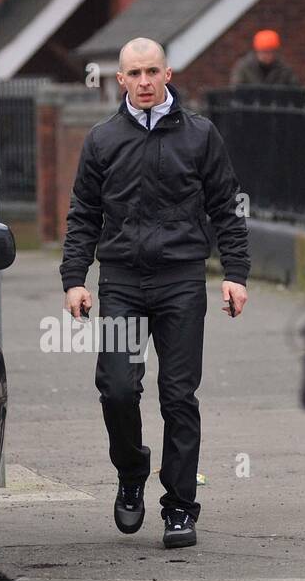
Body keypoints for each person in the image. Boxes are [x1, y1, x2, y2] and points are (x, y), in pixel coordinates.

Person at [61, 37, 250, 549]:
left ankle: (180, 507)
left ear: (168, 74)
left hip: (181, 280)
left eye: (152, 72)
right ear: (118, 81)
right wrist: (75, 279)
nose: (144, 82)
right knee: (118, 388)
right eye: (134, 74)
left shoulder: (200, 136)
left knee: (178, 396)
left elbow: (227, 208)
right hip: (121, 281)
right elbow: (83, 214)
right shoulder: (102, 140)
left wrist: (235, 273)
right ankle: (131, 472)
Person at [229, 29, 300, 87]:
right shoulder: (244, 67)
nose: (267, 55)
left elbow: (295, 89)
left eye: (271, 52)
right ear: (256, 51)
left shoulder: (284, 69)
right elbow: (236, 89)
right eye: (264, 52)